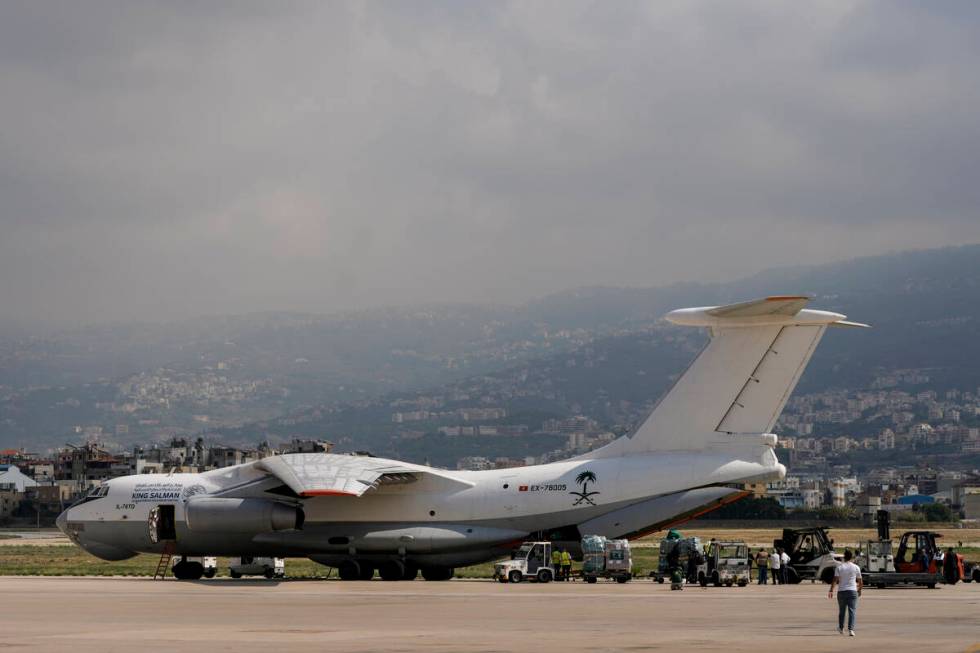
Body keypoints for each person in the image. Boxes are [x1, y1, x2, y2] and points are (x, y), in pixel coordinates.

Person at [829, 549, 863, 636]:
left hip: (842, 592)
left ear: (844, 557)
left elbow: (835, 580)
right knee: (852, 611)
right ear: (851, 557)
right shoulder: (856, 567)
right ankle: (851, 630)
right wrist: (859, 590)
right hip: (852, 591)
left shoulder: (840, 567)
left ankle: (841, 628)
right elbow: (860, 581)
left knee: (842, 611)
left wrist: (831, 590)